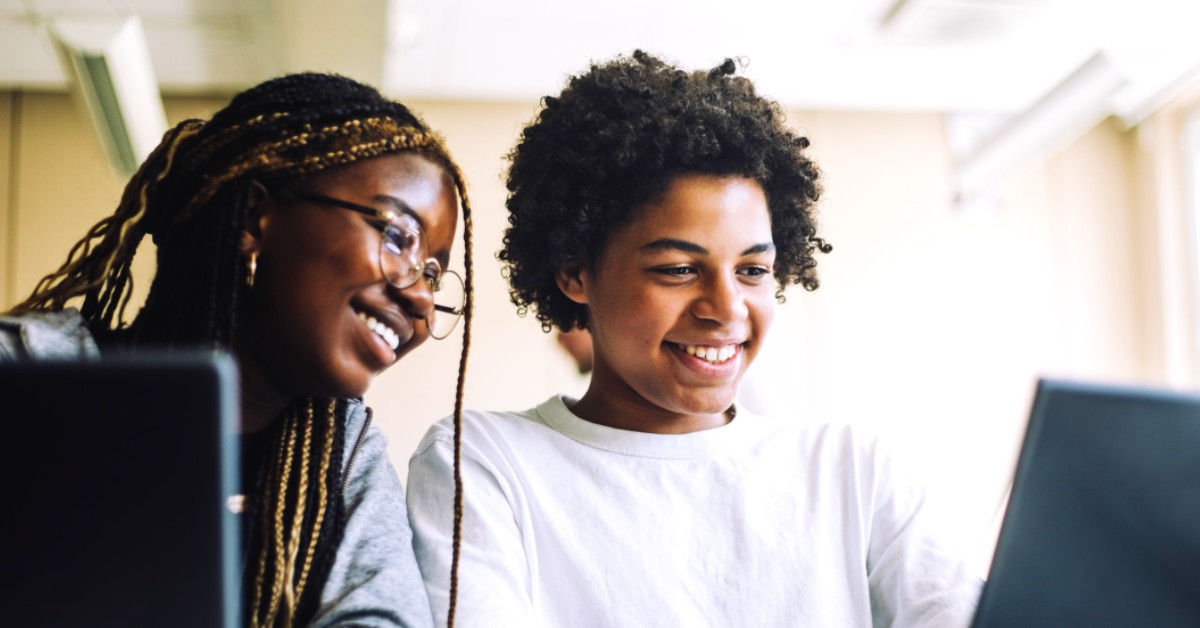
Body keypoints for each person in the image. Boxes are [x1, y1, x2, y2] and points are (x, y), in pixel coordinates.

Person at [407, 51, 980, 627]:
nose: (728, 309)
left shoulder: (852, 470)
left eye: (752, 271)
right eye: (679, 269)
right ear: (576, 273)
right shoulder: (483, 462)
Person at [0, 72, 475, 628]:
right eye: (397, 235)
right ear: (255, 216)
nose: (420, 295)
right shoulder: (24, 371)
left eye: (435, 275)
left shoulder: (342, 458)